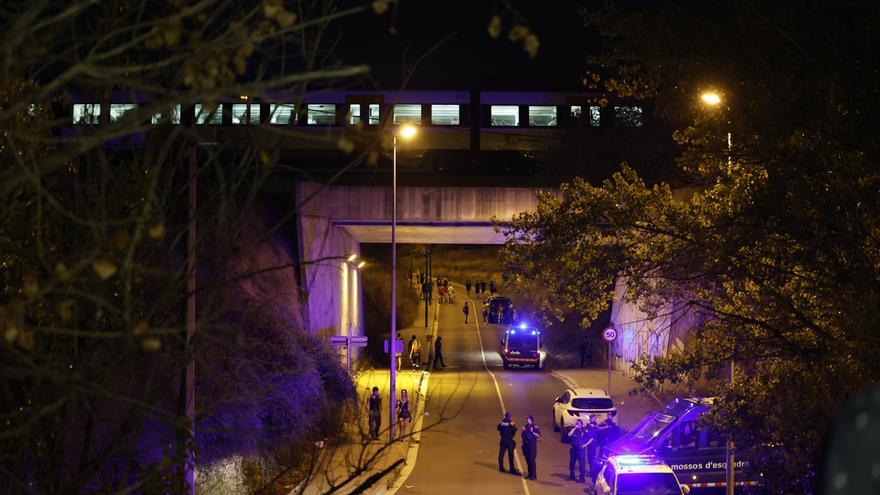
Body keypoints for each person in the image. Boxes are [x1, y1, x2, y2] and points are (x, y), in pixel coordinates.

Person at [521, 415, 541, 480]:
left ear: (531, 420)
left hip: (532, 446)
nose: (527, 420)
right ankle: (529, 474)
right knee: (527, 461)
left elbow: (538, 435)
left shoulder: (535, 427)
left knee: (532, 461)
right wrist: (523, 431)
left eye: (529, 419)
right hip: (526, 446)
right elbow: (522, 436)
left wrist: (533, 432)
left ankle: (534, 475)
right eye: (527, 419)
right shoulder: (525, 426)